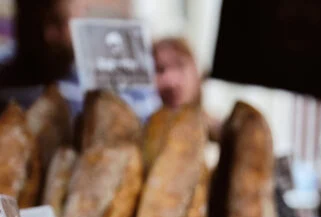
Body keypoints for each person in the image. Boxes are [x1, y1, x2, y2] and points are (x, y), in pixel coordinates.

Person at [0, 0, 160, 119]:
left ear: (80, 13)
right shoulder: (6, 83)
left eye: (58, 22)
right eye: (32, 23)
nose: (47, 35)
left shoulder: (122, 82)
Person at [153, 36, 221, 141]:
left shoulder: (225, 136)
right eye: (160, 70)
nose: (171, 81)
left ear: (196, 72)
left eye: (179, 66)